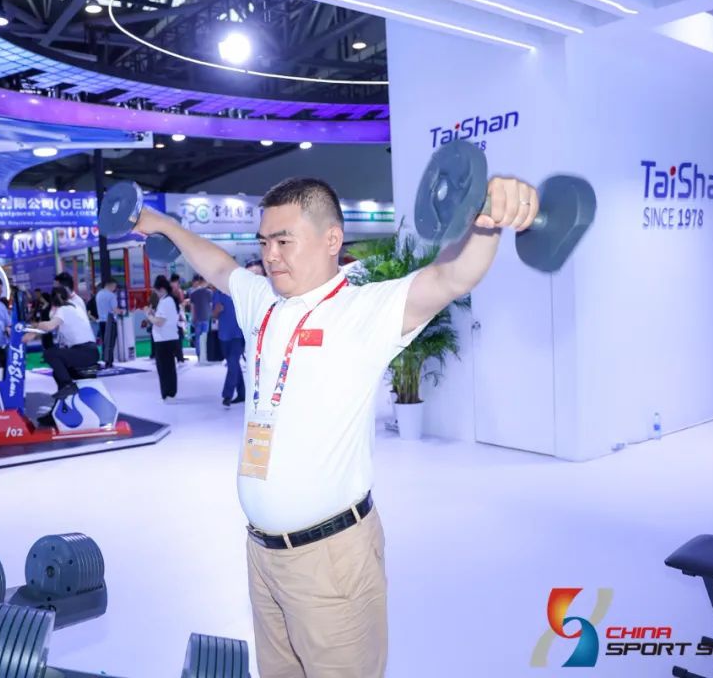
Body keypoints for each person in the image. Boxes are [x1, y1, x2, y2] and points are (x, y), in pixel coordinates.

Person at [131, 174, 538, 677]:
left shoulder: (364, 309)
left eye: (284, 241)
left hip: (331, 562)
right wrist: (166, 225)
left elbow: (450, 278)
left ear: (331, 240)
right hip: (262, 555)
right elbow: (217, 265)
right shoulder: (263, 300)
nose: (271, 255)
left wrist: (487, 222)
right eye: (264, 242)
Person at [22, 287, 100, 426]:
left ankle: (68, 385)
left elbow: (49, 326)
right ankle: (57, 412)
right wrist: (33, 333)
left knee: (50, 353)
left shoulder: (63, 310)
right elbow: (48, 328)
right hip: (88, 352)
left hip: (84, 352)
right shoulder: (74, 307)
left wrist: (34, 326)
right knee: (57, 374)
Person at [144, 275, 180, 402]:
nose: (156, 293)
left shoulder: (166, 302)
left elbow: (159, 322)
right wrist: (153, 314)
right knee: (168, 367)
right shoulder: (167, 300)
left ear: (162, 289)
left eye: (157, 291)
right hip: (166, 338)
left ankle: (168, 393)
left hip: (164, 339)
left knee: (165, 368)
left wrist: (148, 316)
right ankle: (170, 393)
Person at [211, 284, 244, 408]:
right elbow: (214, 315)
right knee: (233, 364)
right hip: (224, 335)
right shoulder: (218, 293)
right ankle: (242, 393)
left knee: (232, 362)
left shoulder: (240, 292)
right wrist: (217, 310)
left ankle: (227, 395)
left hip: (238, 335)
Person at [96, 278, 123, 368]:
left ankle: (105, 359)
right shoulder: (111, 295)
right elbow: (115, 309)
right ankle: (109, 362)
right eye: (114, 286)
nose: (115, 288)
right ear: (111, 285)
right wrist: (121, 311)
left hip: (101, 321)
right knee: (110, 342)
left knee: (104, 342)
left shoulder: (99, 294)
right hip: (110, 321)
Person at [188, 275, 213, 359]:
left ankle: (199, 354)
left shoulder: (193, 293)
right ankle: (205, 353)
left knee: (198, 337)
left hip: (197, 318)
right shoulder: (209, 292)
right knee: (205, 336)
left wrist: (192, 318)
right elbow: (210, 306)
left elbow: (192, 308)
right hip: (206, 317)